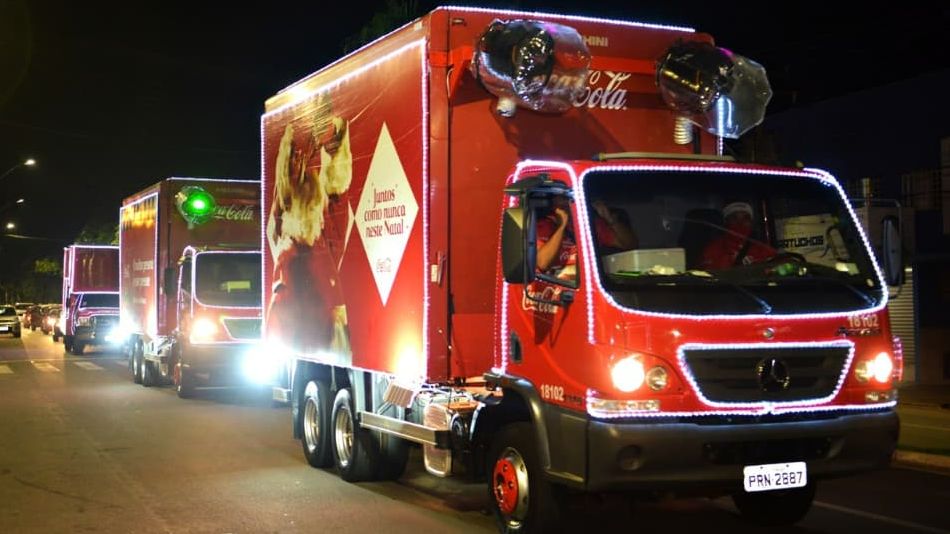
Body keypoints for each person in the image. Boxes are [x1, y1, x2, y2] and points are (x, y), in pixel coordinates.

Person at [535, 196, 638, 281]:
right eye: (562, 198)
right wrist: (561, 227)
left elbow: (629, 246)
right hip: (557, 286)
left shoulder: (593, 225)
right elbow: (542, 263)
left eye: (571, 198)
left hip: (589, 282)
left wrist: (609, 218)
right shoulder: (544, 226)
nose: (568, 202)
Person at [700, 201, 776, 270]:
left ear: (751, 223)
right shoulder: (713, 249)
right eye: (734, 218)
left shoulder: (763, 249)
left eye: (746, 218)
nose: (740, 223)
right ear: (726, 222)